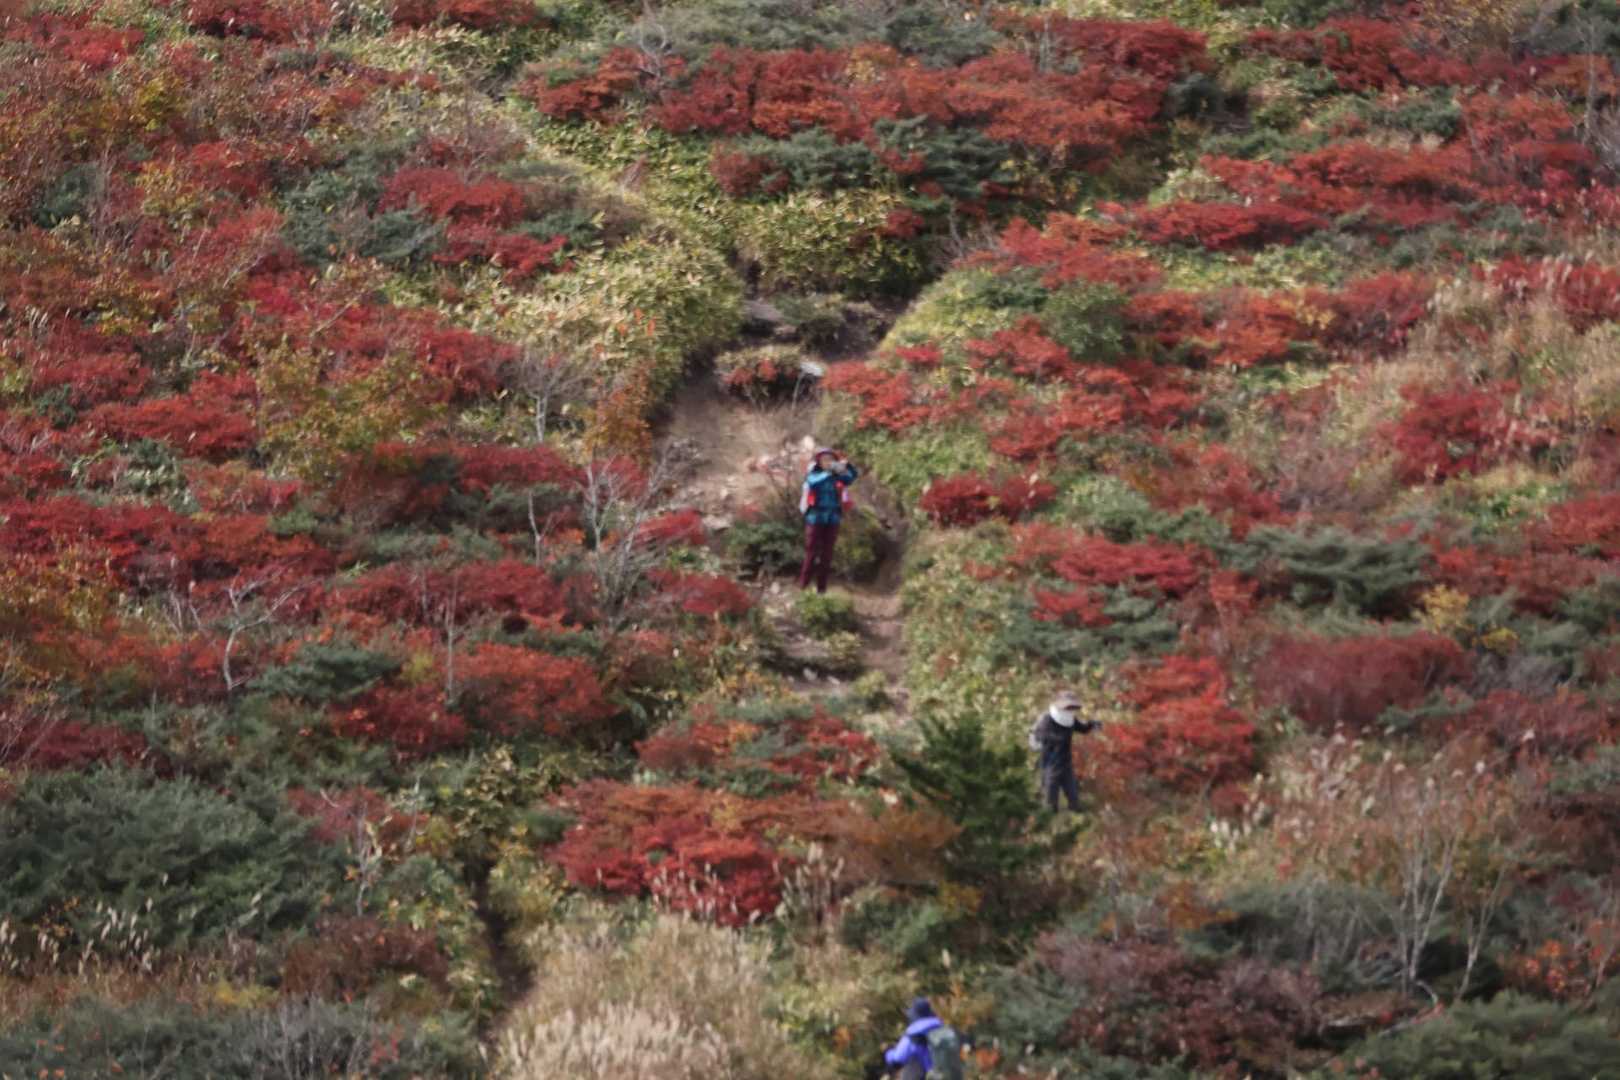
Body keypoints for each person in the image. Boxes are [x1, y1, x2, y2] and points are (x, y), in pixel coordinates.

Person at [1027, 690, 1103, 813]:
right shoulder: (1047, 719)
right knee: (1050, 801)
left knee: (1073, 798)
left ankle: (1075, 818)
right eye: (1069, 706)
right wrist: (1054, 739)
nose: (1071, 709)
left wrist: (1092, 725)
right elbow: (1039, 736)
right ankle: (1050, 819)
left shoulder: (1070, 719)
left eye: (1073, 706)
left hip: (1066, 763)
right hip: (1050, 764)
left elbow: (1082, 728)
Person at [798, 447, 858, 594]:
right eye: (825, 460)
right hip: (815, 517)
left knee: (827, 555)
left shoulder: (838, 477)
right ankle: (803, 587)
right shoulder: (814, 474)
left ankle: (821, 589)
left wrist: (847, 465)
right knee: (811, 553)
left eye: (831, 459)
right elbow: (813, 483)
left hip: (833, 518)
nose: (828, 462)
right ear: (819, 462)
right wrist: (830, 472)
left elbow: (851, 477)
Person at [879, 997, 964, 1080]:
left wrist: (888, 1052)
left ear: (915, 1014)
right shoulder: (943, 1028)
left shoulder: (914, 1034)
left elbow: (898, 1059)